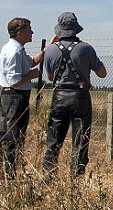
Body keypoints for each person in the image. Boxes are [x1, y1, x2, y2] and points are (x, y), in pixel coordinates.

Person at [0, 17, 58, 182]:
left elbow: (31, 61)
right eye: (29, 30)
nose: (32, 32)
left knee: (4, 137)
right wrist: (31, 76)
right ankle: (8, 176)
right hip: (15, 97)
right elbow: (14, 80)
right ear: (20, 33)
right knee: (12, 138)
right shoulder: (15, 51)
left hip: (10, 97)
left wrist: (48, 49)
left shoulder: (14, 48)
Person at [42, 11, 107, 178]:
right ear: (76, 29)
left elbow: (50, 77)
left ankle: (48, 175)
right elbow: (102, 73)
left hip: (59, 96)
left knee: (54, 139)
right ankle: (76, 178)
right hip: (80, 96)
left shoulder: (50, 51)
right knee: (80, 140)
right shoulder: (86, 48)